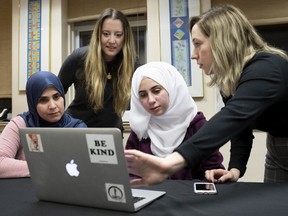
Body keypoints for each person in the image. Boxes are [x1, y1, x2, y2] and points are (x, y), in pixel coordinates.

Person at [125, 4, 288, 185]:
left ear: (221, 41)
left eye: (197, 44)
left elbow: (232, 117)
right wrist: (235, 169)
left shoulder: (268, 68)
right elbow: (241, 126)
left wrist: (168, 163)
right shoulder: (230, 80)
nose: (193, 55)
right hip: (277, 148)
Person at [126, 61, 224, 180]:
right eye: (143, 95)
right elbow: (130, 173)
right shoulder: (141, 129)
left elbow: (213, 171)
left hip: (190, 196)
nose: (151, 100)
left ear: (172, 88)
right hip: (152, 196)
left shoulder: (196, 125)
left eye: (156, 91)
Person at [58, 8, 137, 130]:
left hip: (110, 133)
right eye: (106, 34)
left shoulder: (133, 63)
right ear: (98, 35)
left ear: (125, 37)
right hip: (76, 130)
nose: (112, 40)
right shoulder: (79, 57)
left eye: (118, 35)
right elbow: (55, 93)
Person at [0, 71, 86, 178]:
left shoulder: (77, 128)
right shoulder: (20, 124)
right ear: (33, 103)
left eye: (56, 97)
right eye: (43, 100)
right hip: (24, 190)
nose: (52, 106)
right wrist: (44, 168)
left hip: (67, 191)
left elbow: (85, 168)